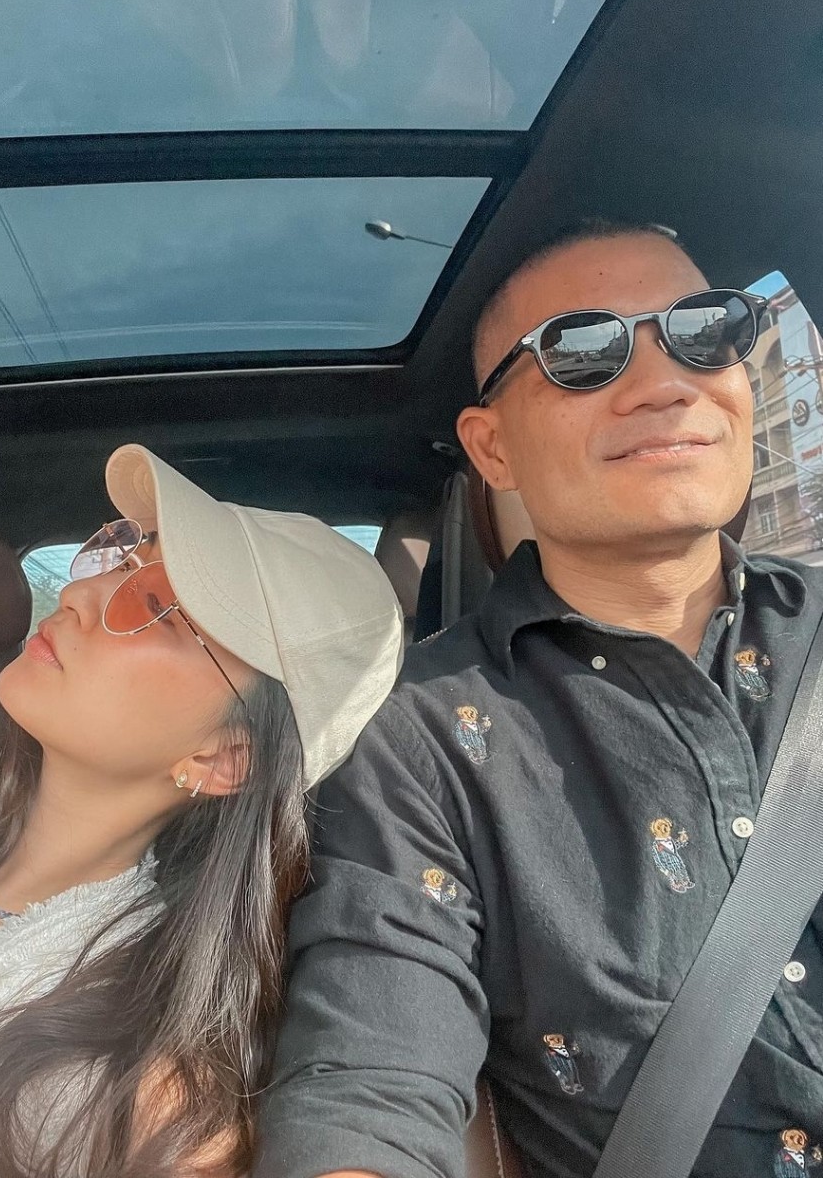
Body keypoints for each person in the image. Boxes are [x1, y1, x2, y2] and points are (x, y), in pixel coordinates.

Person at [254, 219, 823, 1178]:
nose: (664, 384)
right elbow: (370, 1080)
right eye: (584, 352)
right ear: (492, 449)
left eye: (704, 330)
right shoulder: (418, 742)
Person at [0, 443, 404, 1178]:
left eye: (154, 608)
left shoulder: (145, 1086)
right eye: (119, 558)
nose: (80, 594)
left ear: (223, 759)